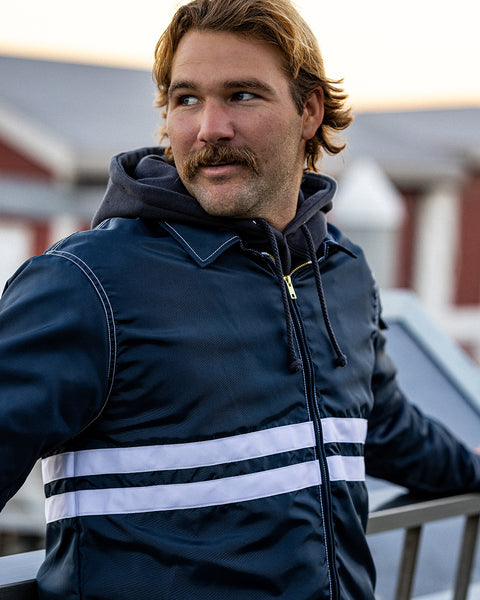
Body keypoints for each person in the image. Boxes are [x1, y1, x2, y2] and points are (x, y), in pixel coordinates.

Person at [1, 0, 479, 598]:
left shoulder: (341, 270)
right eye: (187, 99)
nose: (210, 129)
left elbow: (383, 428)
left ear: (309, 111)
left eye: (242, 96)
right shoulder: (85, 283)